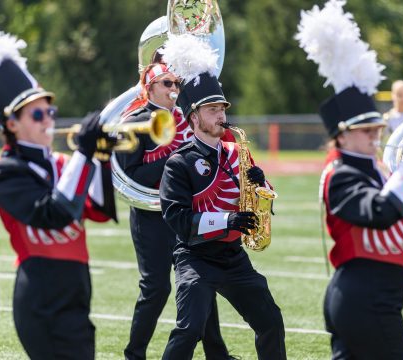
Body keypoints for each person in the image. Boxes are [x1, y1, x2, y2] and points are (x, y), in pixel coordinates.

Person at [0, 57, 117, 358]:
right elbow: (54, 214)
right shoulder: (5, 170)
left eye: (50, 112)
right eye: (37, 114)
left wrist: (101, 157)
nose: (47, 120)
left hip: (77, 288)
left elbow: (98, 211)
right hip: (40, 295)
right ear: (11, 123)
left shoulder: (63, 163)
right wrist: (84, 155)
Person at [159, 36, 286, 359]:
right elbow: (178, 221)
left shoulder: (236, 152)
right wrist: (227, 219)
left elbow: (263, 198)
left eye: (222, 109)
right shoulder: (179, 162)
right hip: (196, 257)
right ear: (194, 117)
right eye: (212, 110)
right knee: (190, 330)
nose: (220, 115)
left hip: (232, 256)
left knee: (271, 321)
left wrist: (263, 185)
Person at [117, 62, 232, 360]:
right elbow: (133, 175)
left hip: (183, 213)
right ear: (149, 87)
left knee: (200, 281)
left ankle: (216, 354)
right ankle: (134, 354)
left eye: (175, 84)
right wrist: (173, 159)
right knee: (156, 289)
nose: (173, 90)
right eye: (166, 83)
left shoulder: (184, 119)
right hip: (150, 215)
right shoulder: (136, 122)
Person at [320, 86, 403, 359]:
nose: (376, 136)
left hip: (376, 296)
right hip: (365, 297)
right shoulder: (341, 175)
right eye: (366, 130)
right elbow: (381, 212)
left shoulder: (375, 171)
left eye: (377, 129)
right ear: (343, 136)